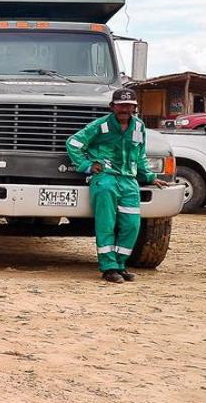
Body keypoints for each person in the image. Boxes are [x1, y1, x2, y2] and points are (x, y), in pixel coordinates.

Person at [65, 88, 171, 283]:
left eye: (129, 106)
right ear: (112, 107)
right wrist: (88, 166)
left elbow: (139, 154)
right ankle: (108, 267)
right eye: (121, 105)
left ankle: (121, 265)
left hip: (129, 182)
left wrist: (148, 176)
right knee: (106, 223)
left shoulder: (138, 127)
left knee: (131, 224)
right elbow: (74, 143)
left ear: (135, 108)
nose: (125, 109)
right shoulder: (101, 125)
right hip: (105, 180)